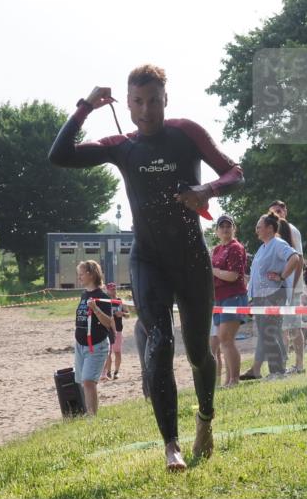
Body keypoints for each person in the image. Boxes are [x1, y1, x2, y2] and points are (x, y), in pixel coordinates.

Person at [49, 64, 244, 471]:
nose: (146, 110)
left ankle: (205, 419)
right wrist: (85, 107)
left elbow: (235, 171)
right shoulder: (122, 145)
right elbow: (60, 155)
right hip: (148, 259)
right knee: (158, 344)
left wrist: (205, 190)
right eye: (137, 101)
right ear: (127, 101)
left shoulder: (185, 132)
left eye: (154, 100)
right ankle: (170, 444)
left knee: (196, 351)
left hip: (191, 258)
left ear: (165, 99)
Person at [247, 213, 300, 379]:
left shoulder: (277, 243)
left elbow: (294, 258)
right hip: (259, 297)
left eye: (259, 226)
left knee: (269, 333)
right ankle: (277, 369)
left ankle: (277, 371)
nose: (256, 229)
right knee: (267, 333)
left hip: (272, 295)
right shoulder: (263, 246)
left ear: (269, 228)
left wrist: (282, 276)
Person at [210, 214, 248, 388]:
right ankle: (228, 380)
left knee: (226, 339)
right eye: (222, 226)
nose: (225, 229)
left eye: (228, 226)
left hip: (234, 296)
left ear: (234, 229)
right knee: (222, 340)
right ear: (217, 230)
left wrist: (214, 271)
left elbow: (233, 276)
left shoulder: (236, 248)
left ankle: (234, 380)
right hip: (219, 299)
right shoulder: (216, 250)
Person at [72, 261, 114, 416]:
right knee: (83, 381)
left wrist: (95, 309)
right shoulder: (84, 294)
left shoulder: (102, 297)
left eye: (81, 274)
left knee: (89, 381)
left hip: (96, 345)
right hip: (80, 345)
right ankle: (88, 412)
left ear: (91, 274)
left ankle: (92, 416)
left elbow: (108, 323)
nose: (79, 277)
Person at [269, 201, 306, 374]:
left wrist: (292, 287)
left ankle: (299, 365)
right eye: (274, 212)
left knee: (294, 327)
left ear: (285, 211)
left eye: (279, 210)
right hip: (278, 289)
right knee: (282, 328)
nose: (277, 213)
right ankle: (282, 365)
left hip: (292, 288)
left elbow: (299, 260)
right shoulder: (272, 234)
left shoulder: (292, 230)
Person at [101, 282, 127, 381]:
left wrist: (123, 314)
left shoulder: (120, 301)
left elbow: (128, 314)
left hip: (119, 329)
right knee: (108, 352)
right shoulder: (105, 301)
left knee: (117, 352)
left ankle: (116, 372)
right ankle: (108, 372)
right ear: (107, 289)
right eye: (111, 289)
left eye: (114, 288)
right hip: (108, 330)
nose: (113, 290)